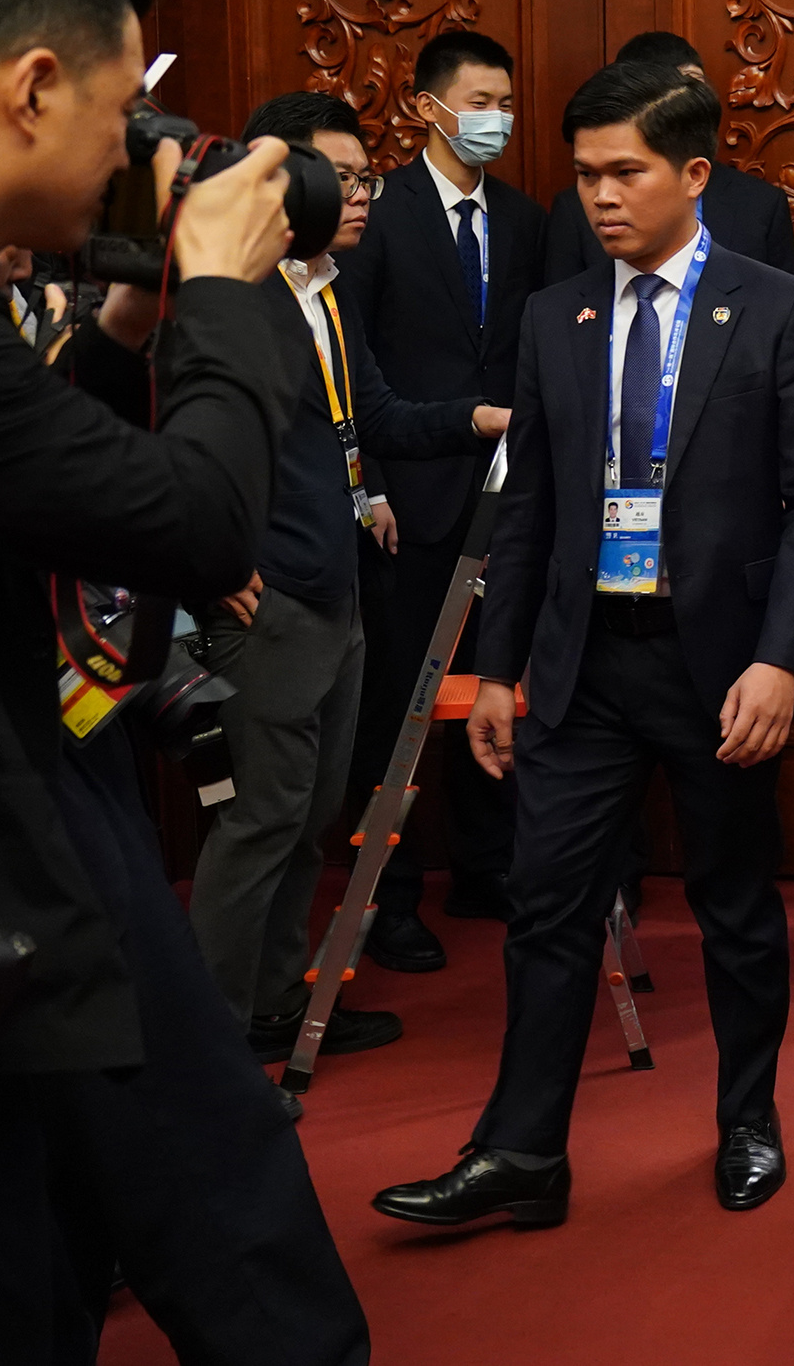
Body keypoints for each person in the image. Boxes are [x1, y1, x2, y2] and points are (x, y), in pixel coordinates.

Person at [0, 0, 367, 1362]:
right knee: (208, 1199)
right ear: (34, 88)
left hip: (18, 811)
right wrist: (226, 295)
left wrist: (125, 334)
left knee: (18, 1252)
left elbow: (43, 480)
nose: (135, 151)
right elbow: (195, 527)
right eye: (125, 113)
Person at [371, 59, 794, 1226]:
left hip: (719, 663)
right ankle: (522, 1153)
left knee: (733, 903)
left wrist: (779, 657)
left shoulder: (775, 307)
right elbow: (528, 504)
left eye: (624, 171)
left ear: (693, 173)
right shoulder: (559, 315)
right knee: (545, 905)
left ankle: (748, 1118)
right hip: (583, 661)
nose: (599, 195)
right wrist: (498, 668)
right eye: (585, 174)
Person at [189, 92, 502, 1063]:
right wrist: (208, 556)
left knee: (311, 816)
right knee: (261, 819)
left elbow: (371, 417)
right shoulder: (232, 296)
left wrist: (480, 419)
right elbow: (179, 435)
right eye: (342, 177)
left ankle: (277, 1003)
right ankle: (212, 1047)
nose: (362, 195)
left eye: (367, 177)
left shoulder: (326, 288)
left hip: (341, 579)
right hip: (269, 595)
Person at [334, 27, 546, 968]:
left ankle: (486, 866)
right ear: (429, 107)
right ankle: (390, 897)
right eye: (480, 102)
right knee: (398, 705)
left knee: (493, 683)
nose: (496, 118)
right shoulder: (378, 214)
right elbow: (352, 365)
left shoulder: (525, 218)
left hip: (503, 496)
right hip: (405, 499)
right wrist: (370, 486)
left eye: (506, 102)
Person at [540, 30, 794, 281]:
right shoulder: (574, 210)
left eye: (695, 88)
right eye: (587, 174)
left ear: (696, 176)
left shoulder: (761, 204)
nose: (604, 196)